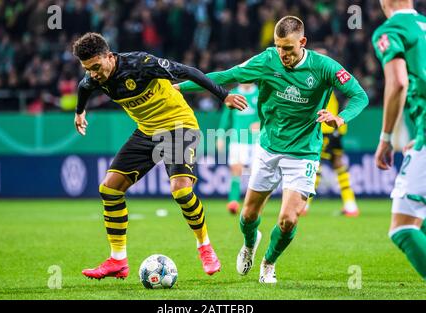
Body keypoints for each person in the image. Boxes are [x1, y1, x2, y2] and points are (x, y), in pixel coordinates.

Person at [176, 16, 369, 283]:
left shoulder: (324, 67)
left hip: (303, 152)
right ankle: (250, 242)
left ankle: (268, 262)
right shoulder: (267, 61)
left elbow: (360, 95)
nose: (283, 54)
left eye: (288, 48)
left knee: (289, 219)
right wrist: (180, 87)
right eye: (278, 47)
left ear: (302, 42)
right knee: (247, 216)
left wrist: (342, 117)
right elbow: (224, 76)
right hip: (268, 149)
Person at [72, 32, 247, 279]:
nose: (93, 73)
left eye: (96, 67)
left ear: (109, 56)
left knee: (181, 190)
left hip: (179, 126)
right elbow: (83, 87)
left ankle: (205, 247)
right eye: (88, 69)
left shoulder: (141, 64)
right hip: (147, 132)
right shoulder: (95, 76)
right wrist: (80, 112)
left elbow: (189, 72)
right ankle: (118, 261)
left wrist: (224, 95)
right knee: (109, 189)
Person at [372, 0, 426, 280]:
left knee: (402, 227)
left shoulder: (391, 29)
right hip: (422, 134)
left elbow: (399, 83)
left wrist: (386, 138)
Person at [302, 47, 359, 217]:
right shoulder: (332, 77)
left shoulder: (325, 77)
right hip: (337, 128)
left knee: (316, 165)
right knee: (338, 163)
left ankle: (304, 205)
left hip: (327, 128)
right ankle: (350, 204)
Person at [217, 83, 260, 215]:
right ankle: (233, 202)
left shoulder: (260, 93)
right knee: (236, 169)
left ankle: (253, 204)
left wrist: (261, 123)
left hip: (256, 140)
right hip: (237, 139)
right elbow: (226, 117)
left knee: (256, 173)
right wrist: (220, 136)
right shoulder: (233, 94)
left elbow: (269, 113)